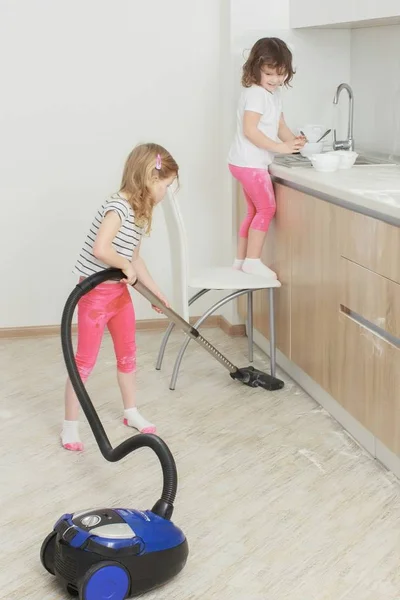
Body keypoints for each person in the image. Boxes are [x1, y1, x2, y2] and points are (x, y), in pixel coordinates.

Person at [61, 143, 178, 451]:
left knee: (128, 354)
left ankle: (130, 411)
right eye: (166, 186)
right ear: (150, 180)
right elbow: (102, 249)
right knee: (83, 362)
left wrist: (154, 291)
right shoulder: (118, 207)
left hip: (119, 296)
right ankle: (70, 426)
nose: (167, 192)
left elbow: (134, 258)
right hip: (94, 296)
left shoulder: (140, 211)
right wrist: (124, 265)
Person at [228, 37, 305, 278]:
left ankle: (240, 261)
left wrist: (293, 143)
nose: (275, 79)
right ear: (256, 69)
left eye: (281, 73)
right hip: (251, 164)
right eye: (269, 73)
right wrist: (279, 148)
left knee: (252, 211)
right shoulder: (256, 94)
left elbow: (279, 124)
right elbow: (250, 130)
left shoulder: (272, 94)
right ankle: (253, 260)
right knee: (267, 208)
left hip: (243, 162)